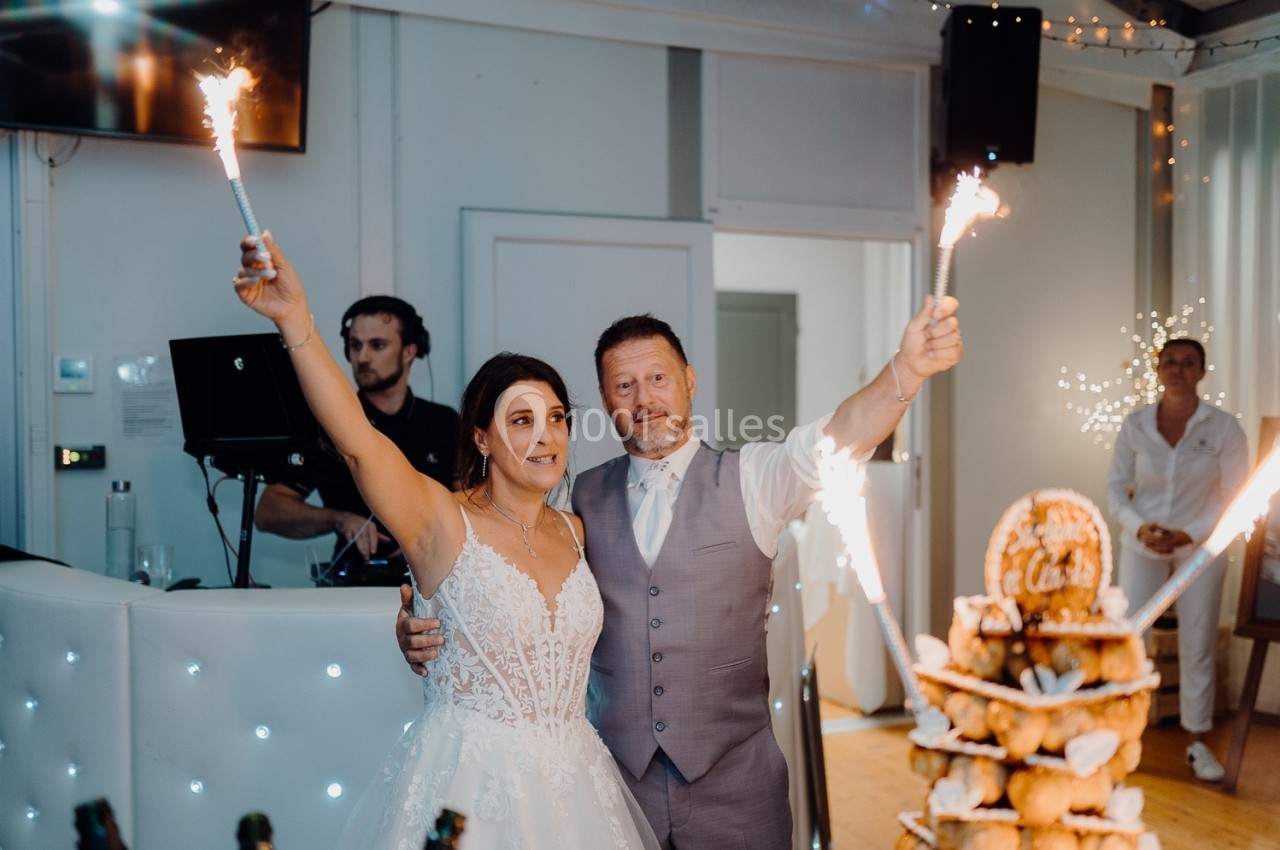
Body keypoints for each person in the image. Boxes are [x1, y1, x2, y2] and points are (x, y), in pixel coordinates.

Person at [399, 301, 963, 847]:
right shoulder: (573, 500)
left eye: (658, 378)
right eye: (624, 386)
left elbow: (838, 438)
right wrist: (424, 619)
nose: (644, 399)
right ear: (605, 400)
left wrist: (906, 369)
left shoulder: (754, 479)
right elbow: (495, 569)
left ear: (690, 381)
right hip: (614, 791)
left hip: (738, 793)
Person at [233, 232, 660, 850]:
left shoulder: (578, 527)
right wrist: (296, 319)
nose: (545, 438)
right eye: (521, 420)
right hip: (468, 781)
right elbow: (356, 439)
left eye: (556, 419)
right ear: (482, 439)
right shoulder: (438, 519)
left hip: (577, 786)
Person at [1105, 337, 1248, 783]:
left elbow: (1236, 493)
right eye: (1170, 362)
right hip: (1142, 545)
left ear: (1202, 371)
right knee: (1129, 637)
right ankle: (1116, 737)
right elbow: (1114, 488)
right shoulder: (1135, 425)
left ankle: (1197, 742)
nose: (1179, 370)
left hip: (1199, 548)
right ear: (1159, 370)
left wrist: (1195, 531)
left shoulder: (1223, 427)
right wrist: (1139, 526)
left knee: (1198, 640)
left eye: (1189, 363)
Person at [253, 294, 460, 586]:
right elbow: (268, 511)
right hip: (352, 588)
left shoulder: (443, 422)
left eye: (377, 345)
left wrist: (431, 537)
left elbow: (476, 503)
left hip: (436, 585)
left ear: (409, 351)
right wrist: (338, 519)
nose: (362, 358)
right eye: (355, 345)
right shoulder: (330, 425)